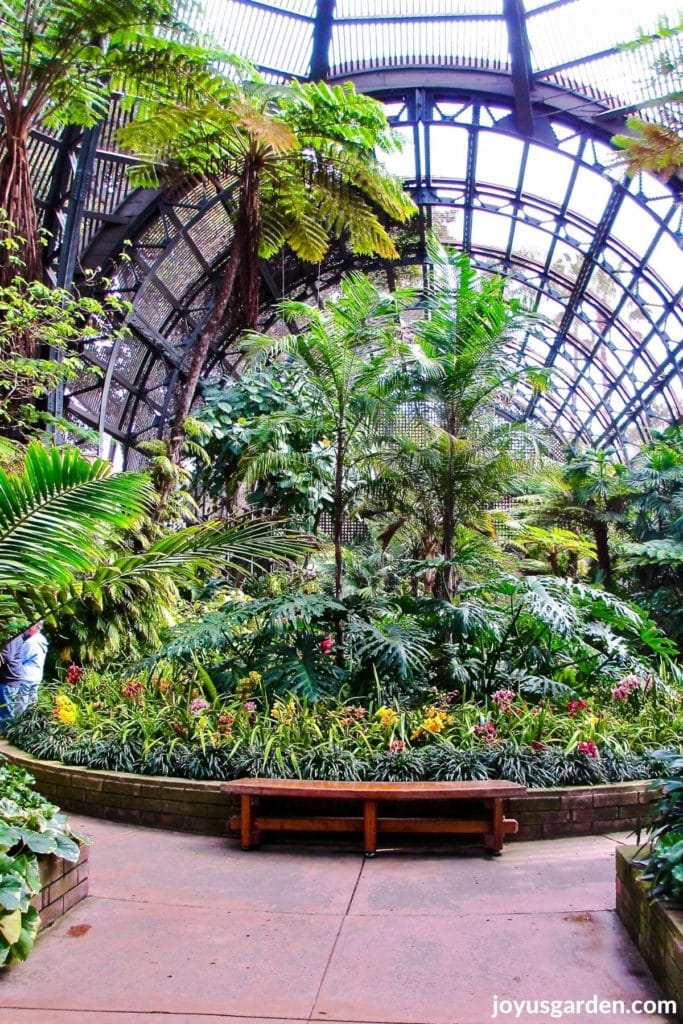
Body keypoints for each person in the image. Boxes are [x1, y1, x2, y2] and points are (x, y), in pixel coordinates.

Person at [18, 622, 48, 715]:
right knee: (31, 704)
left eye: (29, 625)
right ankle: (28, 725)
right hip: (36, 677)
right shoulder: (42, 640)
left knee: (20, 705)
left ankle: (14, 726)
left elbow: (20, 658)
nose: (27, 628)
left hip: (26, 677)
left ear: (35, 626)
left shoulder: (30, 642)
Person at [0, 634, 24, 723]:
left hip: (8, 680)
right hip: (8, 679)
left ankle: (6, 735)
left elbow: (6, 656)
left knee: (5, 714)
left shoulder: (12, 635)